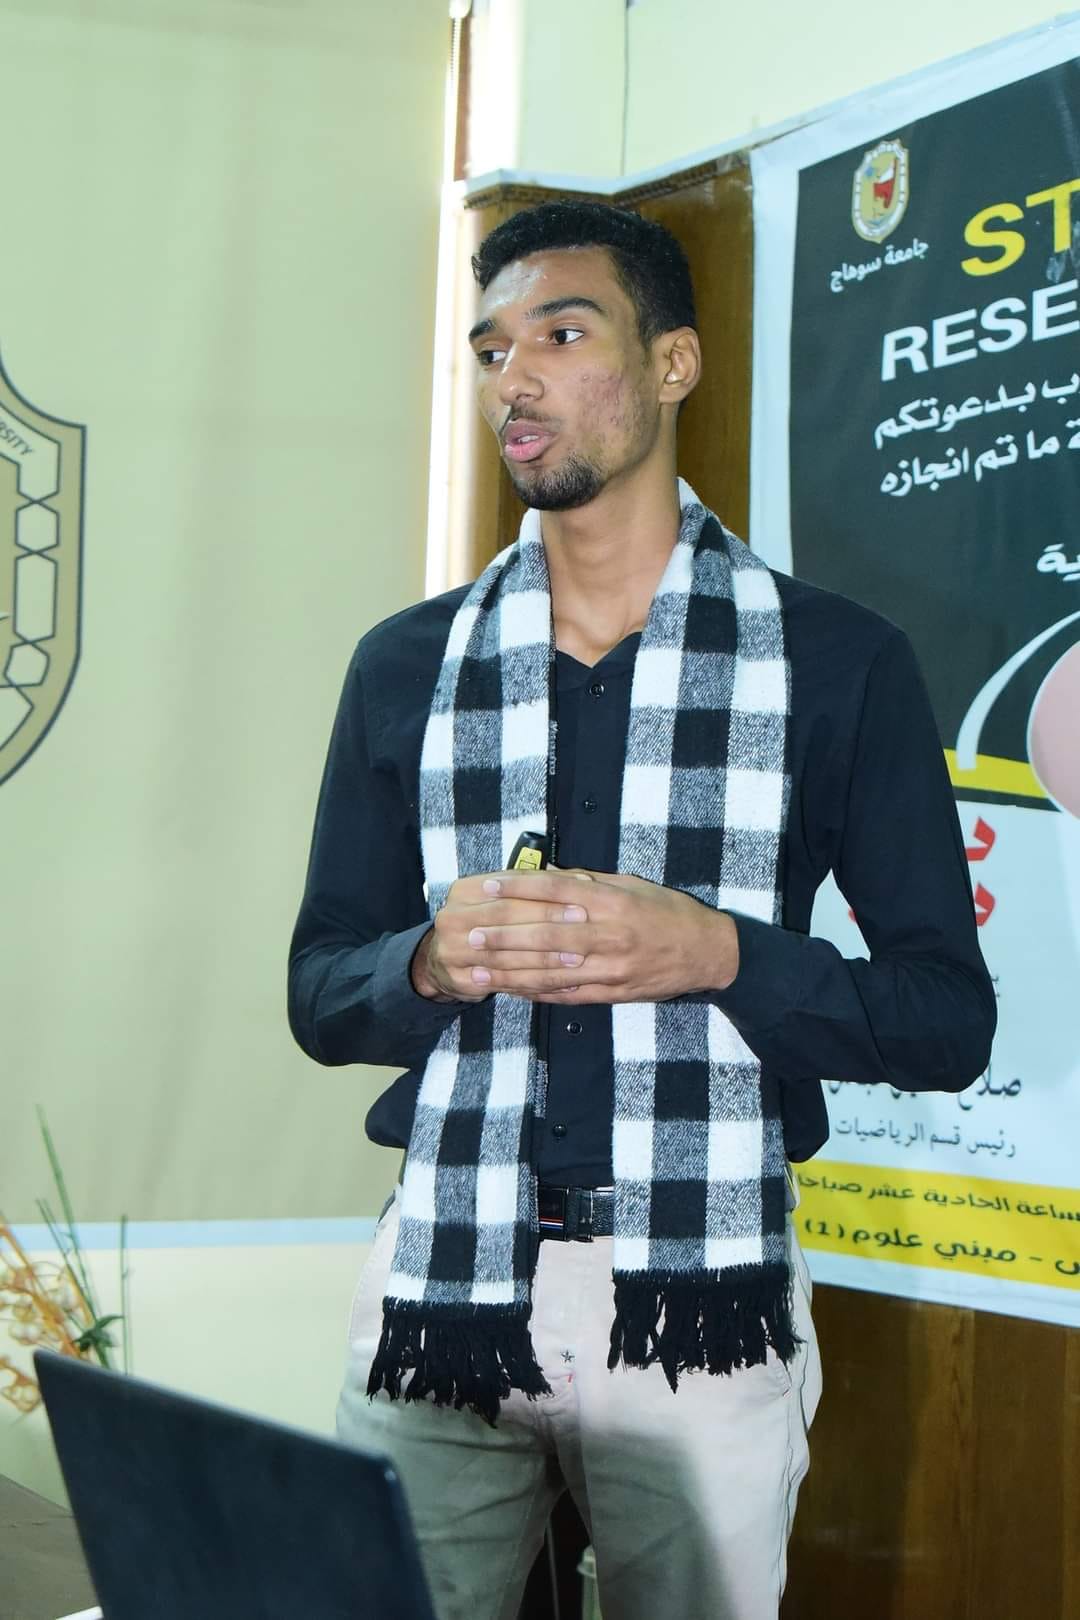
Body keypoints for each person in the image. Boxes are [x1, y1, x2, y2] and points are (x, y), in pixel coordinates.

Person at [288, 201, 995, 1620]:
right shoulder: (408, 666)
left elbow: (943, 1021)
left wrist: (720, 952)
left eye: (563, 334)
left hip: (702, 1297)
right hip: (443, 1272)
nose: (517, 379)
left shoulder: (836, 663)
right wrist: (425, 963)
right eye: (493, 350)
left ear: (672, 364)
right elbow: (319, 992)